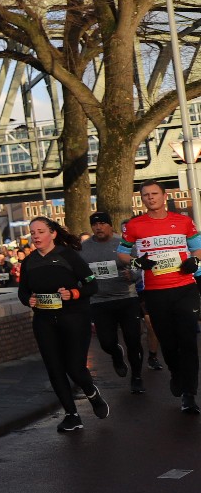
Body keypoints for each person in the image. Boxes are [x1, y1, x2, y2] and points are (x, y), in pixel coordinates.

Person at [120, 181, 201, 414]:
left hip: (185, 288)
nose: (150, 197)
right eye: (146, 195)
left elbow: (197, 247)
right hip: (156, 293)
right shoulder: (134, 225)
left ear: (164, 196)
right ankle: (175, 372)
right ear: (142, 199)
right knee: (168, 342)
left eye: (154, 193)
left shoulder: (183, 221)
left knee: (188, 341)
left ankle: (189, 394)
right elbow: (122, 253)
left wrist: (194, 260)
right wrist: (137, 262)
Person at [19, 216, 106, 432]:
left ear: (53, 233)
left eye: (40, 231)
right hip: (44, 321)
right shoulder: (29, 262)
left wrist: (73, 293)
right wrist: (28, 299)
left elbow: (92, 285)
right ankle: (71, 415)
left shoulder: (68, 256)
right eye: (33, 233)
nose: (36, 236)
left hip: (74, 317)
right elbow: (22, 291)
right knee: (55, 368)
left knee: (75, 368)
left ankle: (92, 393)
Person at [83, 210, 144, 393]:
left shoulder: (123, 244)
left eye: (102, 223)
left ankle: (137, 377)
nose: (98, 227)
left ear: (110, 225)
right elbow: (79, 273)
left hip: (126, 298)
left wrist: (132, 275)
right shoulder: (83, 249)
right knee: (106, 342)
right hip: (99, 301)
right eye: (95, 224)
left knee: (133, 340)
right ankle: (116, 354)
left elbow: (139, 267)